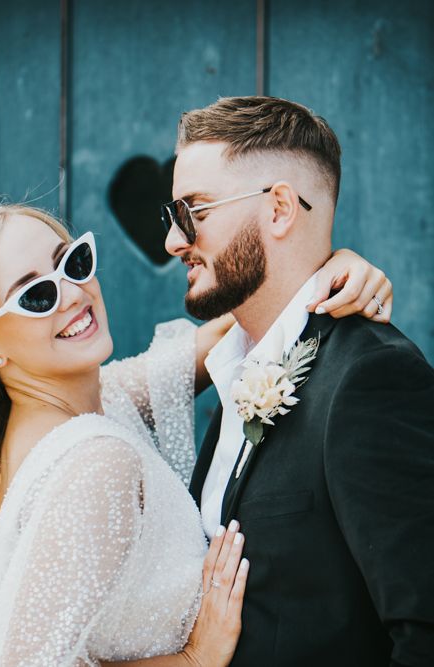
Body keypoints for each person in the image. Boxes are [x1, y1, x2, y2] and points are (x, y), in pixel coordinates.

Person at [0, 202, 392, 666]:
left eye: (72, 262)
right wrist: (194, 659)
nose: (73, 294)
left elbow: (239, 327)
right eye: (35, 295)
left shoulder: (98, 404)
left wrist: (334, 272)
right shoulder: (91, 463)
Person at [163, 96, 434, 666]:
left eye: (194, 212)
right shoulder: (233, 375)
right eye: (171, 217)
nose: (173, 241)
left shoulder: (371, 379)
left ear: (281, 207)